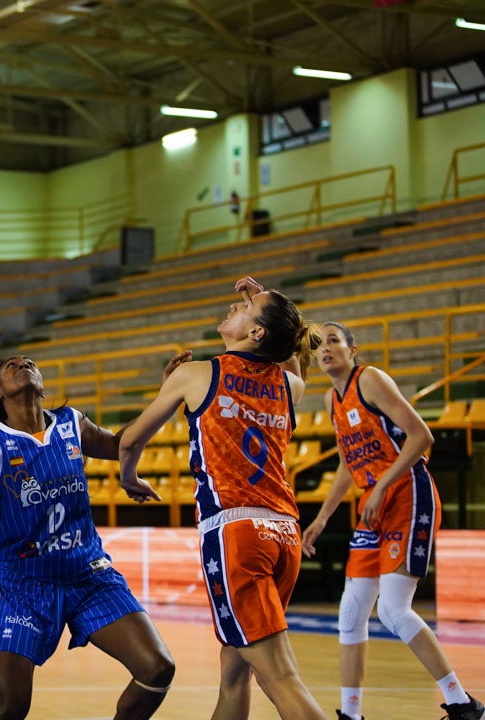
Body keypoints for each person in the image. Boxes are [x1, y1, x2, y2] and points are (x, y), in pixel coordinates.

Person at [117, 276, 327, 720]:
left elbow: (129, 441)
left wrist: (129, 476)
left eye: (249, 305)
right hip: (283, 533)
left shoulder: (196, 374)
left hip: (236, 533)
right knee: (234, 676)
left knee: (282, 679)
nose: (238, 303)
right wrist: (270, 303)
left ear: (257, 333)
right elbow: (291, 352)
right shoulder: (291, 387)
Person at [0, 355, 178, 720]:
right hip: (26, 587)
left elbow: (120, 445)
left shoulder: (71, 423)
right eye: (11, 365)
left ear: (42, 386)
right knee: (7, 709)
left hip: (90, 576)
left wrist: (166, 398)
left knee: (157, 669)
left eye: (29, 361)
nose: (23, 363)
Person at [301, 322, 484, 720]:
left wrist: (383, 484)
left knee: (393, 610)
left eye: (335, 341)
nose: (326, 349)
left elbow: (421, 436)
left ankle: (462, 703)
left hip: (407, 491)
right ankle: (351, 714)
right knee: (350, 613)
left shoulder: (371, 380)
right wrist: (322, 517)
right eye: (322, 345)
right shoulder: (334, 401)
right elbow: (349, 466)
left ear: (353, 349)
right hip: (375, 498)